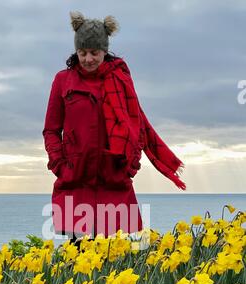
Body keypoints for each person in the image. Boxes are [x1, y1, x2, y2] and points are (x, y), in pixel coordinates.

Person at [43, 11, 186, 245]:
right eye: (83, 52)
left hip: (113, 180)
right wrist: (59, 165)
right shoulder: (62, 80)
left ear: (104, 50)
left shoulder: (120, 80)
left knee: (114, 261)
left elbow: (136, 126)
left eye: (94, 52)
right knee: (78, 262)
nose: (88, 59)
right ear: (76, 51)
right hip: (75, 181)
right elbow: (51, 130)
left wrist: (130, 166)